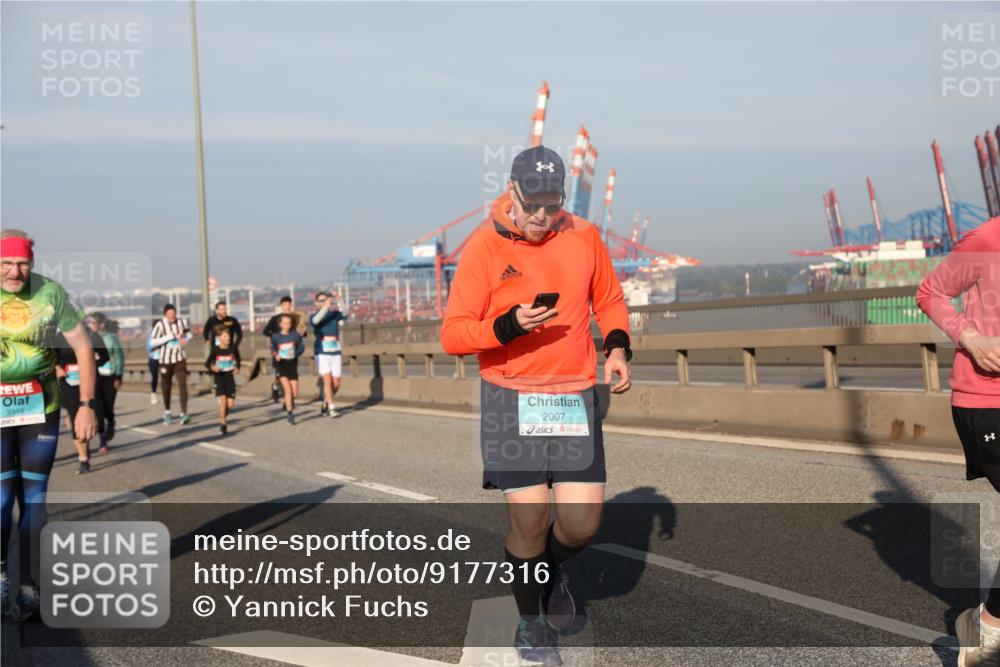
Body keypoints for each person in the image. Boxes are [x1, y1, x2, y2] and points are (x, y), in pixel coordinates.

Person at [440, 146, 632, 665]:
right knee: (530, 520)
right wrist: (506, 327)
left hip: (572, 395)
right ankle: (530, 625)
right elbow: (454, 333)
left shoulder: (584, 236)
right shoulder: (484, 247)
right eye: (533, 206)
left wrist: (616, 347)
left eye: (553, 206)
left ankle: (550, 570)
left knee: (581, 525)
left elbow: (609, 299)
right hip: (511, 397)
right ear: (512, 192)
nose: (542, 218)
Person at [0, 229, 98, 621]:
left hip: (41, 407)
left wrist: (86, 406)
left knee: (35, 500)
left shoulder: (51, 293)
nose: (14, 271)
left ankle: (30, 586)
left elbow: (84, 347)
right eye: (6, 263)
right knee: (3, 499)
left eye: (22, 263)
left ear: (33, 262)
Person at [917, 215, 1000, 666]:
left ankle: (988, 625)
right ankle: (985, 627)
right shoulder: (990, 237)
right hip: (987, 400)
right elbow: (930, 292)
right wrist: (972, 338)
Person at [53, 326, 108, 473]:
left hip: (89, 384)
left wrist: (90, 364)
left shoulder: (92, 335)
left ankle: (85, 446)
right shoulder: (59, 337)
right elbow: (51, 358)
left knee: (88, 417)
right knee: (73, 416)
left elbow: (105, 356)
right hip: (69, 383)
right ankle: (83, 458)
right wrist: (57, 368)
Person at [149, 304, 192, 425]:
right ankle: (167, 412)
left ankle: (184, 413)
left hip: (179, 359)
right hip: (165, 361)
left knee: (182, 384)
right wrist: (168, 337)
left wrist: (186, 339)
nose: (172, 316)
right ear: (165, 315)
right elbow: (153, 341)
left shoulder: (182, 322)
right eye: (169, 315)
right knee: (166, 387)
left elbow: (189, 334)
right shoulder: (160, 325)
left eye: (173, 314)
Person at [89, 312, 124, 453]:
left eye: (93, 323)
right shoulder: (88, 338)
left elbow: (119, 357)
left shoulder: (111, 338)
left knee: (108, 407)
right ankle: (103, 440)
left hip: (110, 377)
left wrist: (119, 376)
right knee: (99, 408)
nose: (90, 326)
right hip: (95, 377)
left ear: (100, 324)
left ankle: (111, 421)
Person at [262, 296, 306, 403]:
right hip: (279, 352)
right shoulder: (275, 319)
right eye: (285, 304)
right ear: (281, 306)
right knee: (279, 375)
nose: (287, 306)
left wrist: (302, 333)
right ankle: (276, 386)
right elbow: (265, 331)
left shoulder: (295, 318)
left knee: (290, 378)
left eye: (289, 304)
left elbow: (301, 331)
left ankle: (288, 402)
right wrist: (275, 337)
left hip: (291, 352)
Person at [310, 291, 347, 417]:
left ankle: (326, 400)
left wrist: (340, 299)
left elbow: (346, 313)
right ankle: (332, 408)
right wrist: (326, 305)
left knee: (336, 383)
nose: (324, 302)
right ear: (316, 303)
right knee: (327, 381)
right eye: (321, 300)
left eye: (325, 299)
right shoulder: (315, 316)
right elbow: (316, 321)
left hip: (335, 351)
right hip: (322, 352)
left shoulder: (334, 314)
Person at [205, 326, 240, 436]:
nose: (228, 338)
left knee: (230, 404)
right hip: (219, 378)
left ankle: (223, 416)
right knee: (223, 401)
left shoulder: (233, 348)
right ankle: (222, 423)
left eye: (229, 335)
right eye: (225, 336)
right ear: (219, 338)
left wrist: (237, 367)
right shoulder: (215, 349)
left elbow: (238, 359)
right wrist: (213, 368)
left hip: (229, 378)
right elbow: (207, 363)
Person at [270, 313, 304, 425]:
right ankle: (290, 413)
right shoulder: (276, 337)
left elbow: (301, 347)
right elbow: (272, 348)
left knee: (294, 393)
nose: (287, 325)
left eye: (289, 323)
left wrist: (296, 353)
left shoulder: (295, 335)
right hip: (281, 365)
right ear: (280, 324)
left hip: (292, 365)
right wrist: (276, 355)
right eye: (284, 323)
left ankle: (279, 389)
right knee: (288, 390)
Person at [146, 326, 159, 404]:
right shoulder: (151, 336)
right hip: (153, 358)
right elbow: (148, 347)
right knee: (155, 377)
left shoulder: (165, 334)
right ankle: (153, 394)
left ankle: (166, 394)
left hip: (164, 358)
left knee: (166, 377)